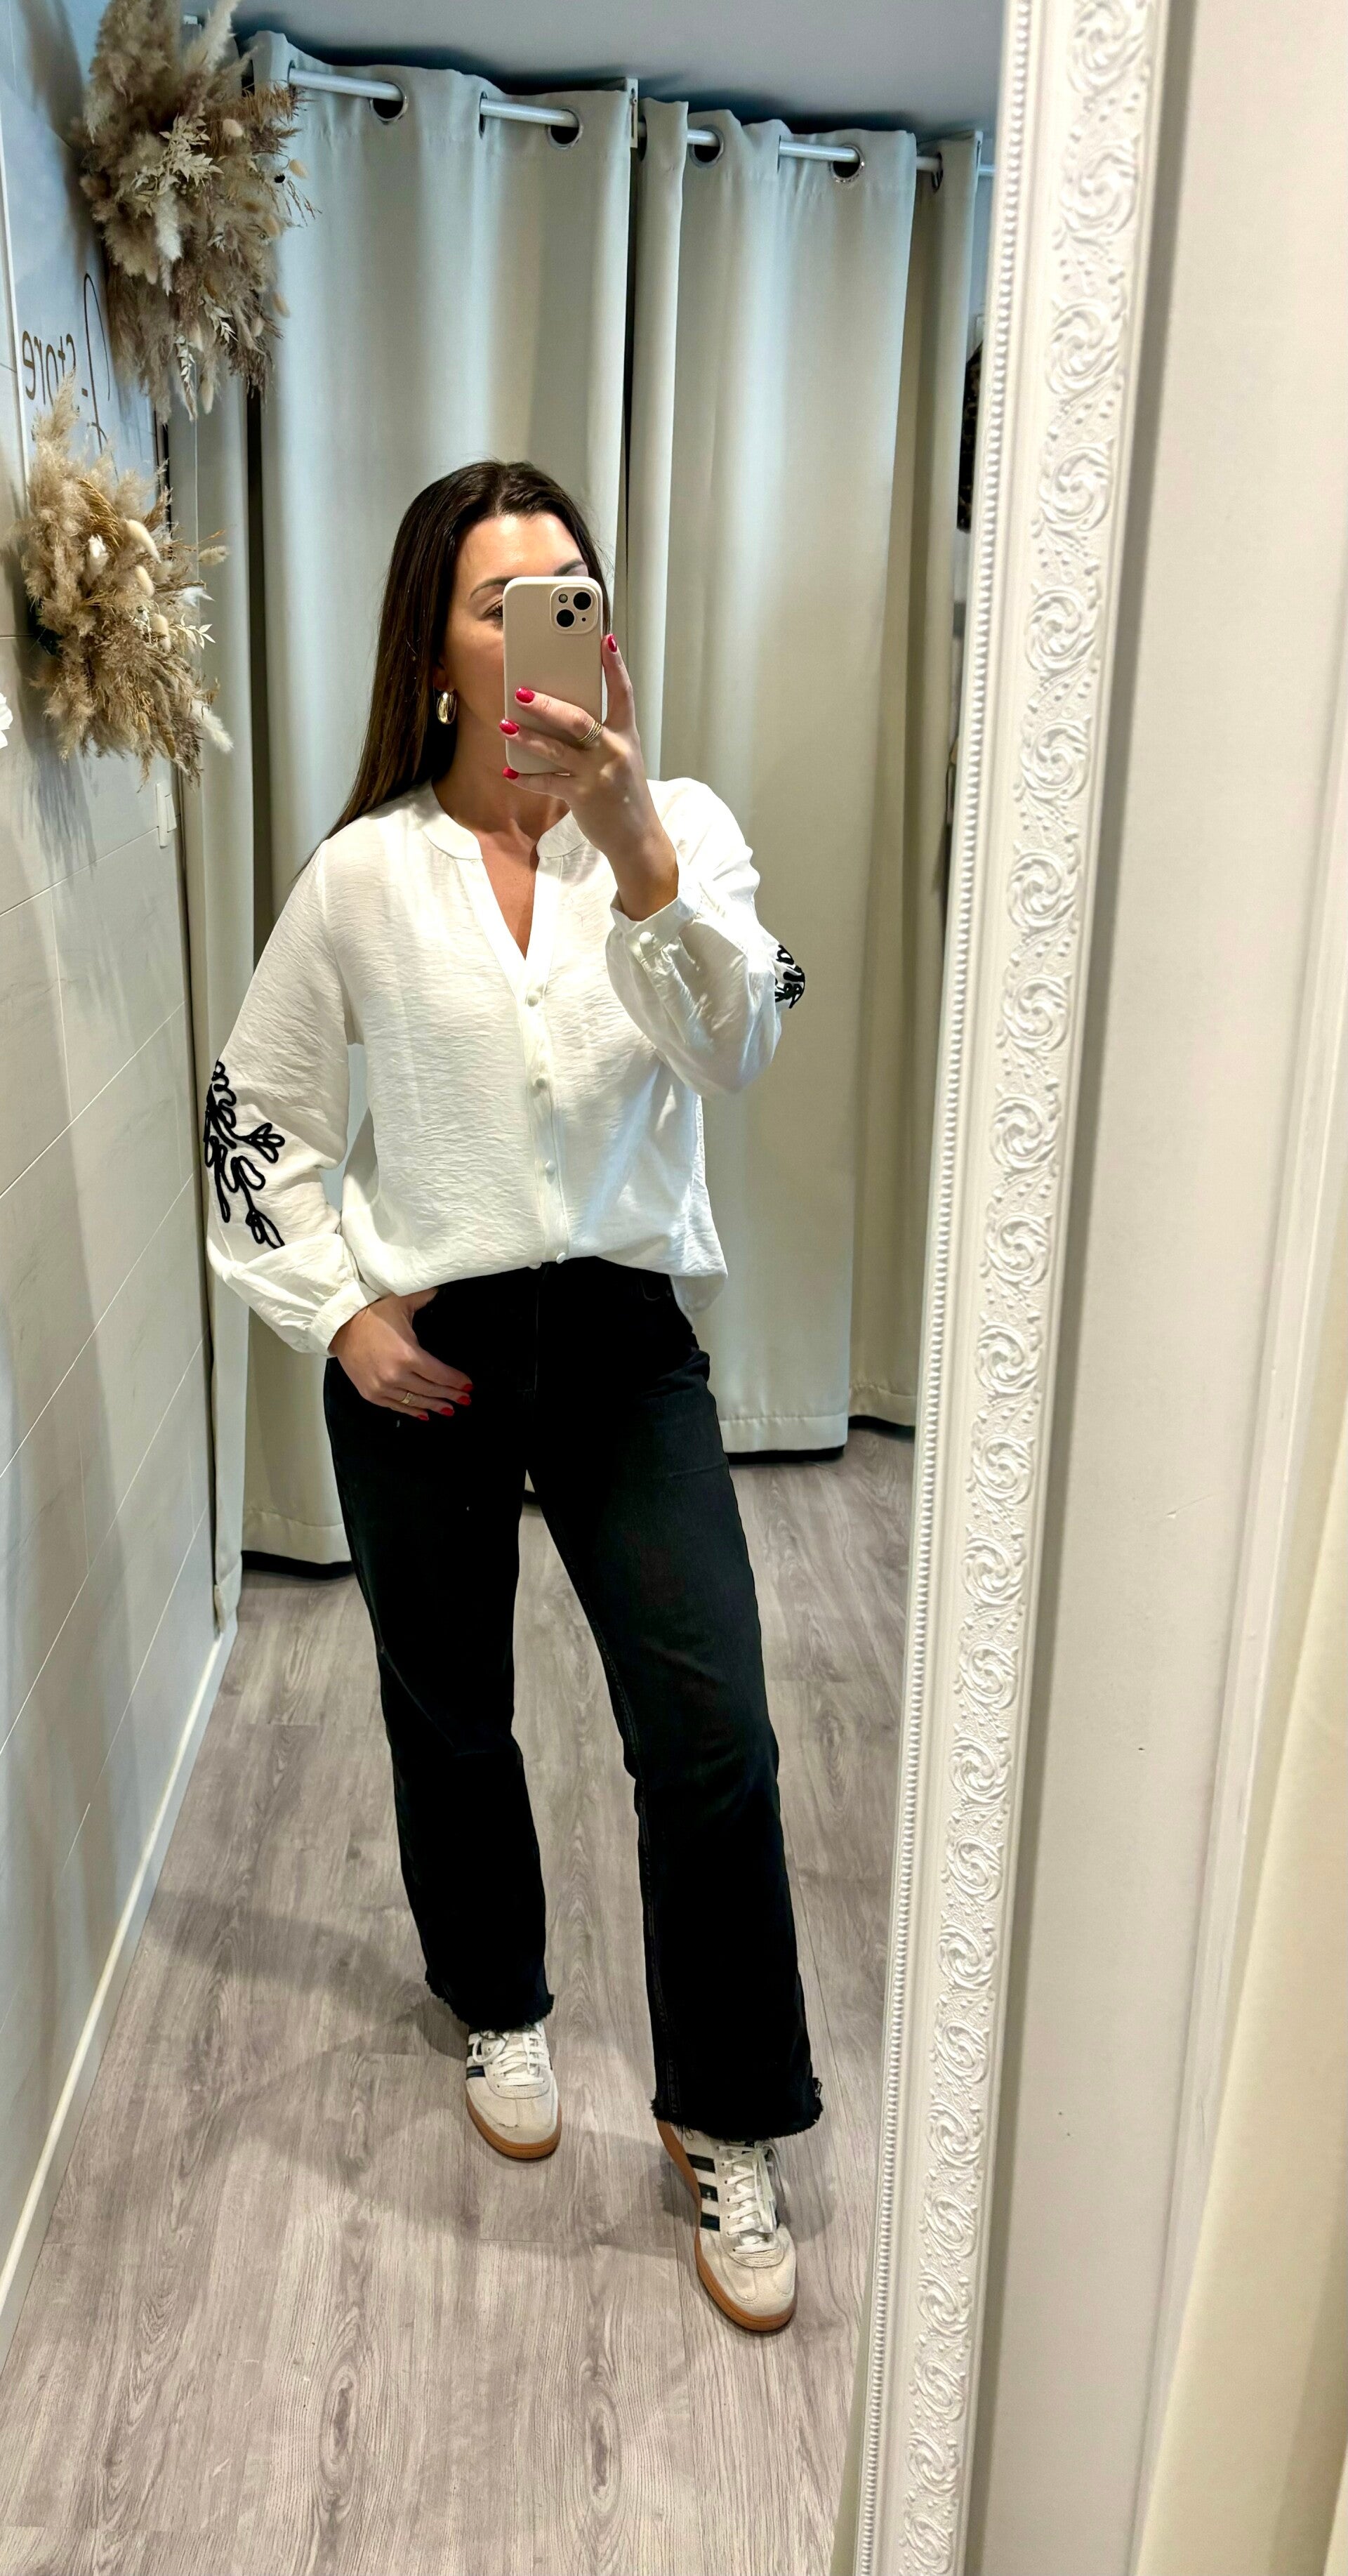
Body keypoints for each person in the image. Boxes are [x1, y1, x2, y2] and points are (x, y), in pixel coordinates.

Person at [202, 460, 821, 2334]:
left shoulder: (682, 831)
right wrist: (337, 1314)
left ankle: (726, 2111)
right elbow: (252, 1112)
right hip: (436, 1345)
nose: (546, 621)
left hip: (623, 1340)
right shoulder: (365, 874)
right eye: (501, 598)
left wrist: (633, 843)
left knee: (711, 1730)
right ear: (440, 650)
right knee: (452, 1709)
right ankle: (499, 1998)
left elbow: (741, 1044)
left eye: (570, 587)